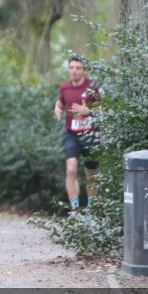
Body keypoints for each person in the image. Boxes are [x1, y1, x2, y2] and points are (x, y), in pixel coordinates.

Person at [54, 56, 103, 211]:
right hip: (71, 134)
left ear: (84, 70)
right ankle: (74, 209)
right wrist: (58, 109)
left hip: (91, 134)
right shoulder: (65, 87)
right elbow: (60, 102)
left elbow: (106, 110)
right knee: (71, 169)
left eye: (78, 68)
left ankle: (91, 209)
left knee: (91, 174)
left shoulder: (94, 87)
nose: (74, 71)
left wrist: (87, 111)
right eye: (71, 68)